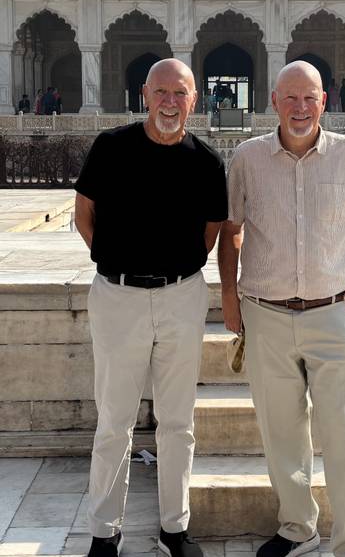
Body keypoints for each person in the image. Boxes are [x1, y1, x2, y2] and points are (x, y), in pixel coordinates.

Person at [219, 61, 345, 557]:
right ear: (273, 101)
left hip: (334, 312)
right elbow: (230, 230)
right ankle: (298, 529)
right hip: (267, 314)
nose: (301, 109)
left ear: (324, 102)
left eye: (310, 99)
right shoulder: (248, 159)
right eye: (291, 98)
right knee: (282, 434)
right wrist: (229, 293)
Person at [74, 59, 228, 557]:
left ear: (194, 99)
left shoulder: (206, 162)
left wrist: (171, 271)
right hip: (117, 295)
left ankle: (173, 530)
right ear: (145, 95)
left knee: (178, 420)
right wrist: (119, 263)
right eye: (160, 92)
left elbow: (211, 235)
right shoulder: (111, 148)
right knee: (114, 419)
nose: (169, 102)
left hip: (180, 294)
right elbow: (84, 216)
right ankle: (104, 532)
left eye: (179, 93)